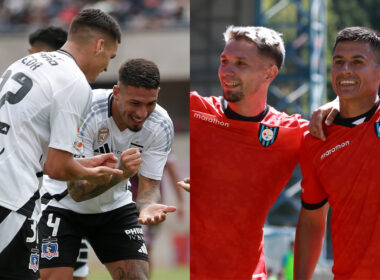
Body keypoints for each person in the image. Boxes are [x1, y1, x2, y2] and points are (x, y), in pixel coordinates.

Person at [190, 25, 337, 280]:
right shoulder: (197, 111)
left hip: (248, 274)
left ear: (269, 73)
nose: (227, 71)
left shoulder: (292, 133)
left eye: (241, 63)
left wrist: (335, 103)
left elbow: (356, 120)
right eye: (224, 61)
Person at [0, 8, 122, 279]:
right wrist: (92, 173)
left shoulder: (23, 64)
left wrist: (82, 163)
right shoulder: (74, 82)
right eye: (109, 58)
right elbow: (57, 168)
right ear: (99, 45)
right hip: (11, 194)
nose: (106, 67)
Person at [38, 58, 176, 280]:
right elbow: (77, 190)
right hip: (62, 205)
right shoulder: (86, 109)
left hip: (115, 208)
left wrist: (147, 206)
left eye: (150, 103)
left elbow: (149, 187)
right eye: (135, 103)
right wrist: (121, 173)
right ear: (117, 92)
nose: (142, 113)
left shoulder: (161, 124)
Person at [294, 26, 380, 280]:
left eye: (357, 62)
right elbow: (312, 220)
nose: (345, 70)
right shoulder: (316, 139)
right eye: (338, 62)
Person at [27, 25, 90, 280]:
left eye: (33, 52)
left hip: (62, 204)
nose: (29, 59)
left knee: (75, 271)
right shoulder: (32, 93)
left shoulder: (72, 92)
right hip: (31, 200)